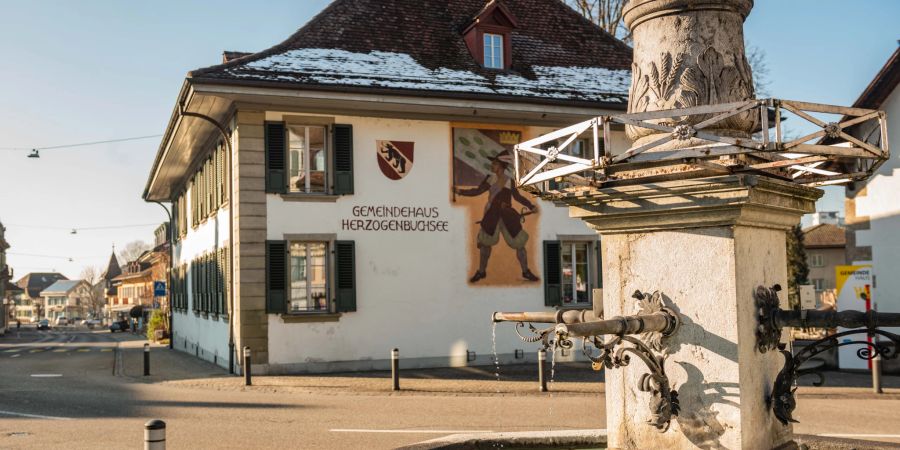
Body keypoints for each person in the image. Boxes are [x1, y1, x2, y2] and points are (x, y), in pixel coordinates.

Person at [455, 150, 539, 283]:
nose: (492, 166)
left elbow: (517, 197)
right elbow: (478, 191)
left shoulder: (510, 181)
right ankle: (481, 272)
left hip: (508, 216)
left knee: (520, 245)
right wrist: (461, 192)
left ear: (501, 165)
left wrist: (531, 206)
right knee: (485, 246)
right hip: (492, 215)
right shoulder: (490, 178)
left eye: (494, 164)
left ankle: (526, 271)